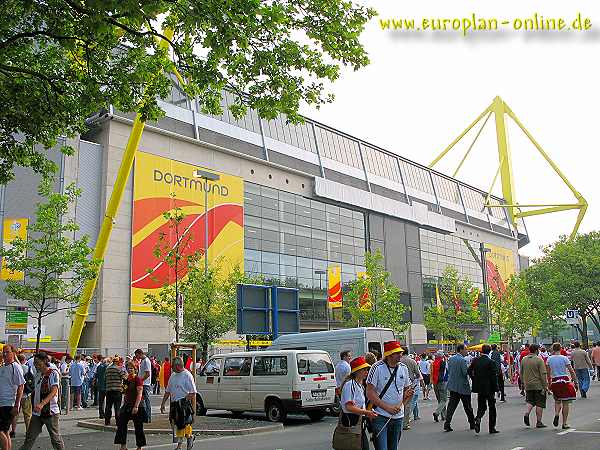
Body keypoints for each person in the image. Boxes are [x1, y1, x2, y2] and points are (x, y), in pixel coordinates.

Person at [366, 341, 413, 450]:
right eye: (397, 353)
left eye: (400, 352)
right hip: (380, 416)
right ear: (389, 355)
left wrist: (403, 403)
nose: (400, 354)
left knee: (393, 448)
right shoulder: (376, 367)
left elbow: (408, 391)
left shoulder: (403, 368)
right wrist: (388, 408)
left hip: (398, 417)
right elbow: (370, 392)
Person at [18, 352, 64, 450]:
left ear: (45, 362)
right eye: (35, 363)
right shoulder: (38, 374)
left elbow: (54, 391)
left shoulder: (53, 373)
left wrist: (42, 404)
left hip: (50, 411)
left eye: (38, 363)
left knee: (55, 438)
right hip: (37, 412)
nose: (36, 365)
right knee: (30, 436)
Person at [337, 356, 378, 450]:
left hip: (358, 424)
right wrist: (367, 412)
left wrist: (367, 411)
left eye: (367, 370)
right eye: (364, 370)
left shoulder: (359, 385)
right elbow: (349, 407)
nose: (366, 372)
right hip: (351, 423)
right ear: (357, 371)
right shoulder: (350, 384)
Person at [160, 357, 197, 450]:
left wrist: (185, 400)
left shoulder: (187, 375)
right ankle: (185, 441)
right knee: (175, 423)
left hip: (184, 404)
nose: (171, 368)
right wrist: (163, 403)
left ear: (178, 366)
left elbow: (193, 392)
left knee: (184, 424)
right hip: (174, 404)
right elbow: (168, 391)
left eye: (173, 366)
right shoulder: (173, 375)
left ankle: (185, 441)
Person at [443, 344, 476, 432]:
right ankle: (472, 423)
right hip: (463, 386)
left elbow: (449, 370)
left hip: (453, 385)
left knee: (451, 406)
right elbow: (465, 373)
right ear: (461, 350)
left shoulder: (451, 359)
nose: (467, 351)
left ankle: (447, 423)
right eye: (465, 349)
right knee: (468, 407)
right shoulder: (462, 360)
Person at [114, 361, 146, 450]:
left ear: (135, 369)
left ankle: (139, 446)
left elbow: (140, 393)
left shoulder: (138, 379)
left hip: (137, 405)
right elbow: (124, 391)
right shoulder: (127, 379)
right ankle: (123, 446)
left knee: (138, 426)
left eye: (131, 368)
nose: (130, 370)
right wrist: (123, 385)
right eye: (128, 368)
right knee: (121, 423)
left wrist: (136, 406)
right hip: (127, 404)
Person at [468, 344, 499, 434]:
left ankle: (478, 418)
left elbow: (469, 371)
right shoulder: (491, 362)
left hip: (479, 388)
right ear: (489, 351)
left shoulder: (476, 361)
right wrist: (497, 389)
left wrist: (474, 379)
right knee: (492, 408)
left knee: (481, 406)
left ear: (481, 351)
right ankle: (491, 427)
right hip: (489, 388)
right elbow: (494, 377)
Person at [0, 344, 25, 450]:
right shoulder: (3, 367)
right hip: (2, 402)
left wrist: (16, 405)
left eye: (7, 352)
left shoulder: (15, 367)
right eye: (3, 352)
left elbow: (21, 386)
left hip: (8, 403)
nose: (4, 354)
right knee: (5, 431)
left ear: (14, 353)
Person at [547, 343, 578, 429]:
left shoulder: (549, 359)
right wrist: (575, 382)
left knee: (557, 401)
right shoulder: (564, 358)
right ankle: (564, 423)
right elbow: (571, 371)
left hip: (554, 381)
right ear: (560, 349)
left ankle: (557, 414)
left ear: (553, 349)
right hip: (564, 381)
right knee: (565, 403)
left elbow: (548, 373)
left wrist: (548, 384)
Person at [520, 344, 549, 429]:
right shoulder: (539, 360)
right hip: (538, 384)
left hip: (527, 384)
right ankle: (539, 422)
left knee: (530, 401)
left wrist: (523, 383)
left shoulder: (524, 360)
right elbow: (543, 374)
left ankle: (527, 413)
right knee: (540, 403)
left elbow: (521, 373)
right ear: (536, 350)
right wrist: (545, 386)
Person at [400, 350, 423, 430]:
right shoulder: (412, 361)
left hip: (398, 385)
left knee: (398, 402)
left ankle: (398, 421)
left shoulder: (398, 360)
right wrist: (414, 378)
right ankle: (405, 423)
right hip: (409, 384)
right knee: (407, 404)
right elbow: (417, 373)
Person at [105, 357, 125, 426]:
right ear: (117, 362)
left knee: (108, 407)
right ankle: (118, 422)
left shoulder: (107, 369)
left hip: (109, 390)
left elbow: (105, 378)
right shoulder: (119, 369)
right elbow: (124, 377)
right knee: (117, 407)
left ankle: (107, 421)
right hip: (117, 390)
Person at [134, 349, 152, 423]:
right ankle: (145, 416)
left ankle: (147, 417)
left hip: (145, 384)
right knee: (143, 401)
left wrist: (141, 380)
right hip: (143, 383)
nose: (136, 357)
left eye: (137, 355)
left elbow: (147, 373)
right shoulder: (143, 361)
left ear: (140, 354)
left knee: (146, 401)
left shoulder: (146, 361)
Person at [431, 350, 447, 423]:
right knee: (443, 400)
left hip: (435, 382)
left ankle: (444, 416)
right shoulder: (443, 362)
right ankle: (437, 413)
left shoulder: (433, 362)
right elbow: (446, 371)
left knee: (439, 400)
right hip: (441, 382)